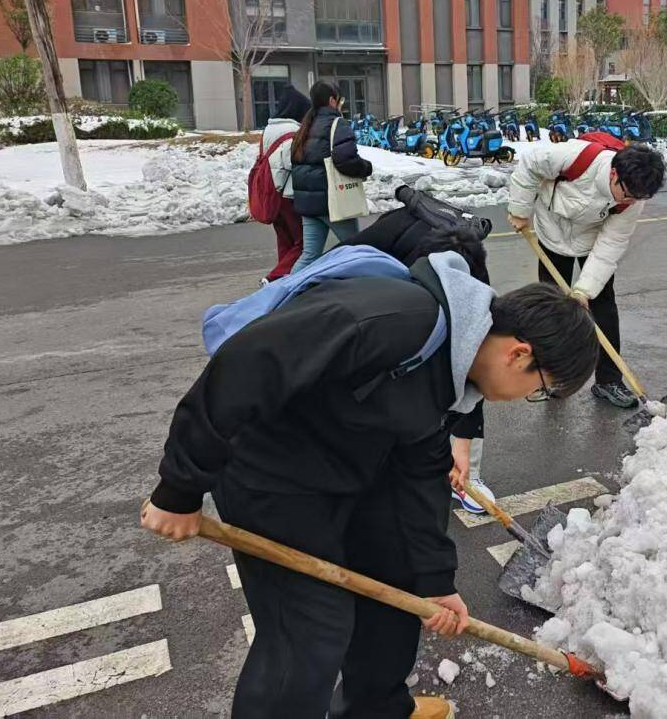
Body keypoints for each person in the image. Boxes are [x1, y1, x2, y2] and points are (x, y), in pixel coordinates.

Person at [142, 260, 599, 718]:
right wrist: (180, 488)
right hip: (268, 472)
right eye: (541, 389)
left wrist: (435, 581)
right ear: (519, 355)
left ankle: (375, 709)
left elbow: (421, 471)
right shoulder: (391, 323)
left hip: (342, 467)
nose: (528, 399)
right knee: (311, 626)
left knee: (395, 576)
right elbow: (246, 364)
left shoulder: (454, 370)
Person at [340, 187, 497, 515]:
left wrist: (464, 450)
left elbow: (473, 367)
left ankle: (466, 475)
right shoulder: (377, 248)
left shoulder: (472, 280)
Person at [507, 139, 667, 408]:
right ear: (615, 173)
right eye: (626, 193)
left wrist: (584, 290)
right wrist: (519, 209)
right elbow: (530, 164)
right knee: (552, 310)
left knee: (603, 307)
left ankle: (608, 381)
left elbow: (610, 245)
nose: (629, 201)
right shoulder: (576, 157)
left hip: (590, 241)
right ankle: (554, 377)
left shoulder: (633, 199)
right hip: (551, 233)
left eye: (636, 198)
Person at [290, 81, 373, 275]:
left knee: (309, 255)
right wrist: (365, 168)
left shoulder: (305, 126)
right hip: (332, 201)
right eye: (339, 99)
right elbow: (345, 159)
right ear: (332, 100)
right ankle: (366, 291)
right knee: (357, 249)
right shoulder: (337, 124)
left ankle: (282, 293)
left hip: (308, 203)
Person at [259, 88, 312, 283]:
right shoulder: (292, 132)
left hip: (271, 192)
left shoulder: (268, 130)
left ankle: (284, 279)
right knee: (303, 241)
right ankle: (274, 278)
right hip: (288, 194)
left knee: (284, 240)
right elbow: (292, 162)